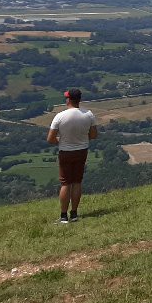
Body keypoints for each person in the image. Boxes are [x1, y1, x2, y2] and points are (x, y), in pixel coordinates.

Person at [47, 88, 98, 224]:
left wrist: (61, 141)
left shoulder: (60, 116)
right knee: (77, 182)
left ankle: (63, 216)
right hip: (82, 150)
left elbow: (50, 139)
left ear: (68, 99)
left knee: (65, 183)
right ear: (79, 100)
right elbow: (93, 135)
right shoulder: (89, 115)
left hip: (65, 151)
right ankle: (74, 214)